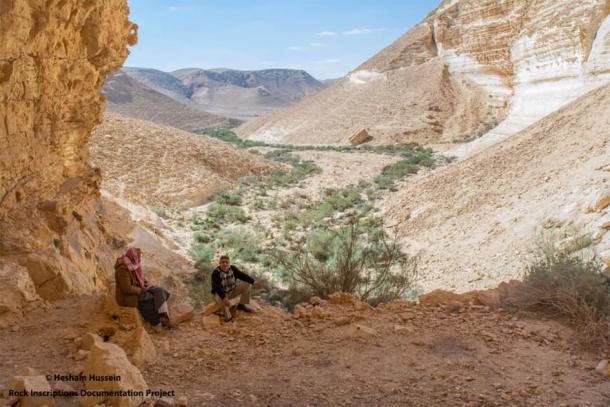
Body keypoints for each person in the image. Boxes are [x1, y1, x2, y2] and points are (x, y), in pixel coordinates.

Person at [114, 247, 172, 328]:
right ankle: (157, 322)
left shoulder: (132, 264)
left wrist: (145, 283)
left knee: (160, 291)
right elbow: (126, 288)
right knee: (149, 298)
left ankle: (163, 315)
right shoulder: (123, 269)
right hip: (126, 296)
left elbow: (139, 277)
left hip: (139, 287)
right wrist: (141, 290)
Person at [211, 255, 263, 321]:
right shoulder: (216, 272)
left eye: (226, 262)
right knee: (226, 309)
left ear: (229, 263)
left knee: (247, 285)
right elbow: (216, 287)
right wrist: (224, 297)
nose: (225, 264)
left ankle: (241, 305)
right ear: (219, 263)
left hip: (231, 291)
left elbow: (242, 275)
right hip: (219, 294)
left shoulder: (233, 269)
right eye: (222, 262)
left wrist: (254, 282)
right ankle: (228, 318)